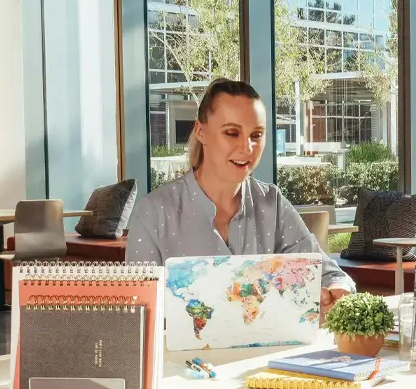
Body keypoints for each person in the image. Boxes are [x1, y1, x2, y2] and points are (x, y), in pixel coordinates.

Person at [127, 78, 355, 312]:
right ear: (201, 131)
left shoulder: (272, 204)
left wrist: (338, 288)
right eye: (232, 133)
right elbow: (138, 316)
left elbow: (328, 274)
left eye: (256, 135)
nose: (247, 148)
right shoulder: (153, 213)